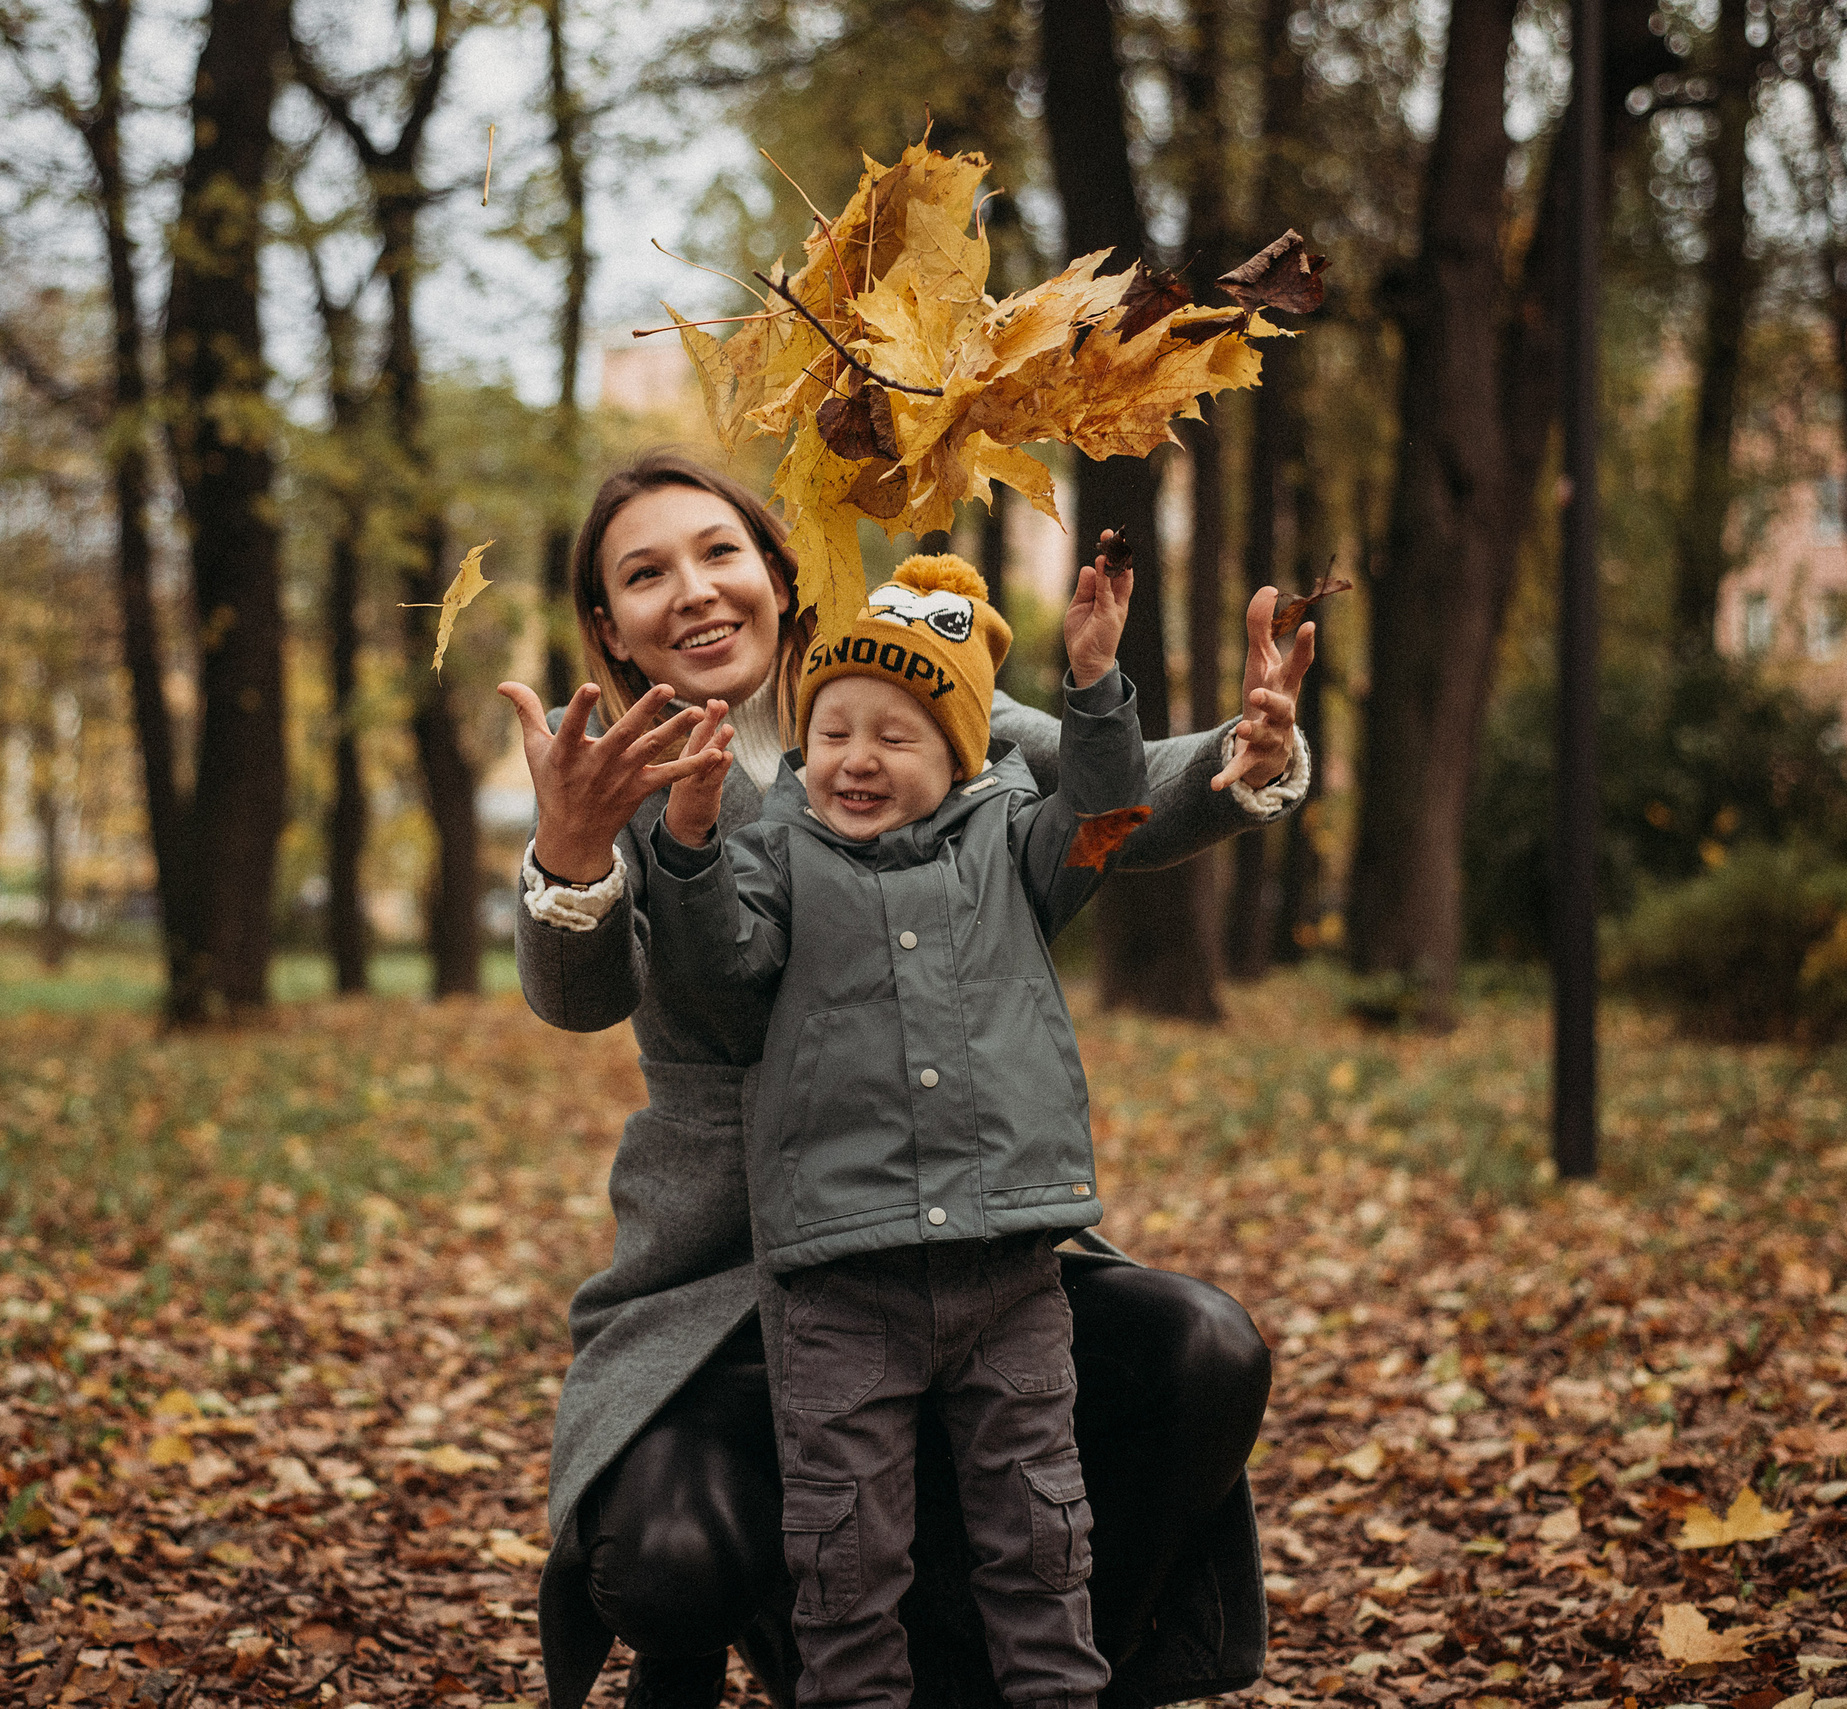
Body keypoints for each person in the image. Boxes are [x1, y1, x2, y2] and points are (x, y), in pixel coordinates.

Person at [498, 450, 1316, 1709]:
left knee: (1199, 1346)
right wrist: (569, 849)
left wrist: (1242, 752)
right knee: (663, 1558)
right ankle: (745, 1641)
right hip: (729, 1282)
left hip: (953, 1225)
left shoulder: (896, 675)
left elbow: (1097, 790)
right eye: (645, 574)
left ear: (777, 572)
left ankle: (1047, 1668)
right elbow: (578, 994)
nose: (694, 590)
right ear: (609, 626)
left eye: (718, 552)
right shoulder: (608, 774)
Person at [638, 548, 1144, 1709]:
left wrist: (1094, 683)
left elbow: (1106, 812)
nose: (855, 757)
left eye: (893, 735)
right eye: (831, 730)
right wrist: (691, 841)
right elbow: (717, 967)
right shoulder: (777, 852)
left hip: (1006, 1271)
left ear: (958, 752)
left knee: (1040, 1535)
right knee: (844, 1552)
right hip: (840, 1282)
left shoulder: (1013, 845)